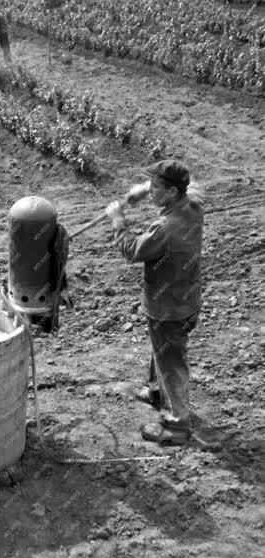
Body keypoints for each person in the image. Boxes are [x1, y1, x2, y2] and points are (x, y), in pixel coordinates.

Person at [105, 160, 204, 446]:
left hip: (168, 306)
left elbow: (133, 251)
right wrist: (142, 189)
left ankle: (176, 427)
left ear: (172, 192)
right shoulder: (193, 205)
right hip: (184, 297)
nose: (151, 194)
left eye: (157, 189)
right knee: (160, 349)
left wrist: (118, 218)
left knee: (171, 361)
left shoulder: (165, 228)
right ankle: (156, 392)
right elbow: (190, 183)